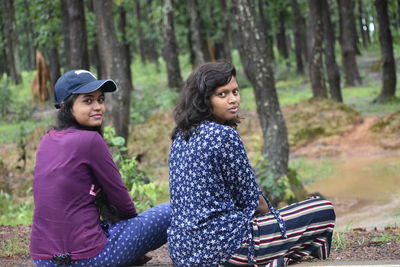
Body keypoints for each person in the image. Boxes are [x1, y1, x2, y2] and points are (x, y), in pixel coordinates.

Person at [168, 62, 336, 267]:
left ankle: (277, 258)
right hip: (225, 249)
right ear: (204, 100)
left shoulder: (180, 136)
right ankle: (273, 258)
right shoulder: (224, 135)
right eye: (222, 94)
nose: (233, 100)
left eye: (235, 91)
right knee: (323, 209)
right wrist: (276, 224)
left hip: (183, 252)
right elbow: (255, 202)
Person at [30, 69, 171, 267]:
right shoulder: (90, 140)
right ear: (65, 106)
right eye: (88, 101)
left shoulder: (47, 139)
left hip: (43, 259)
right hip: (87, 258)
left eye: (100, 100)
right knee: (173, 211)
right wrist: (132, 235)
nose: (98, 107)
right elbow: (123, 204)